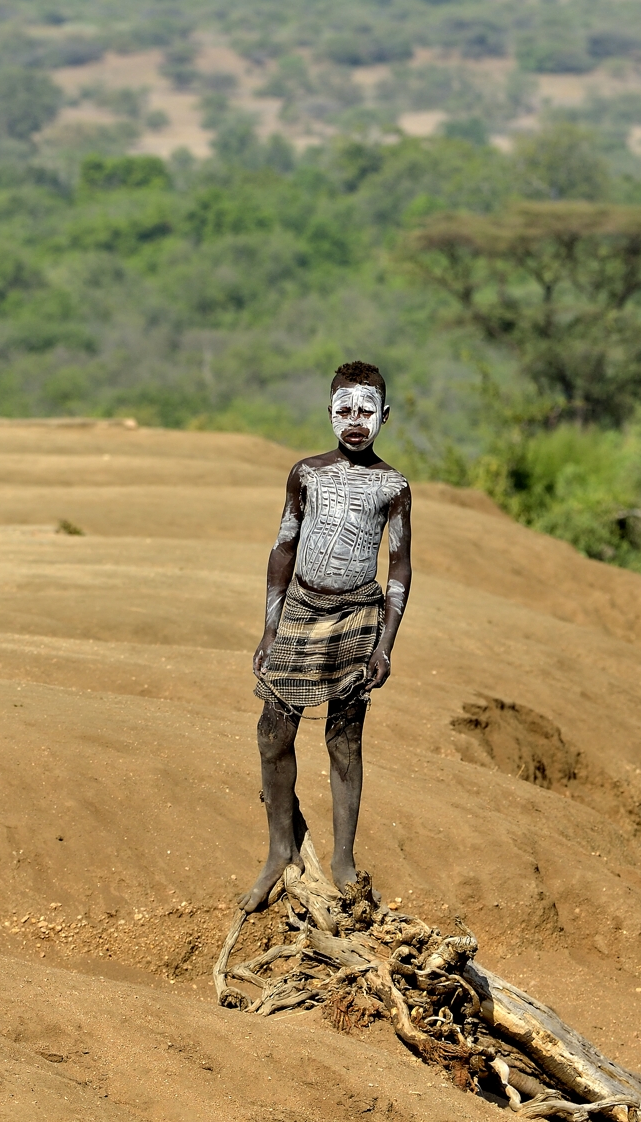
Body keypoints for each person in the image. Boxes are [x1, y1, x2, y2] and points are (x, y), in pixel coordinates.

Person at [241, 360, 413, 910]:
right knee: (273, 733)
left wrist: (384, 645)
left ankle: (342, 861)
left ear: (385, 416)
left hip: (358, 619)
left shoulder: (393, 487)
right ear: (329, 413)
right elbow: (283, 549)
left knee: (344, 742)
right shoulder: (306, 473)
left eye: (366, 411)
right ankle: (278, 851)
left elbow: (400, 569)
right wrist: (271, 627)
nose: (355, 421)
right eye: (344, 410)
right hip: (299, 610)